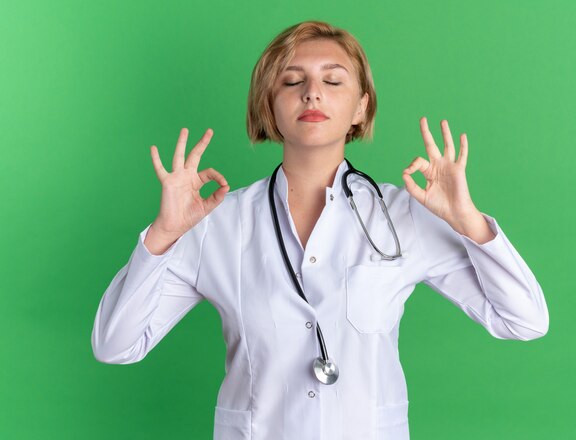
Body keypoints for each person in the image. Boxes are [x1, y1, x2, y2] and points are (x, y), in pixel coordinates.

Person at [91, 20, 549, 440]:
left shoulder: (402, 217)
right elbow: (115, 345)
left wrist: (469, 221)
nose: (312, 93)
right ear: (269, 105)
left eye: (333, 81)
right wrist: (164, 234)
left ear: (360, 107)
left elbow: (524, 321)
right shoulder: (216, 223)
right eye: (292, 82)